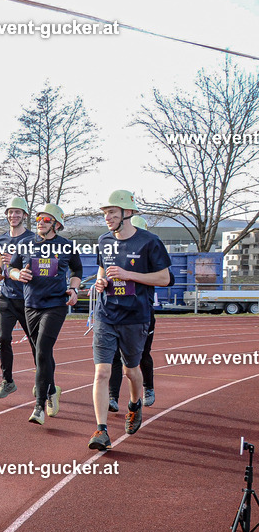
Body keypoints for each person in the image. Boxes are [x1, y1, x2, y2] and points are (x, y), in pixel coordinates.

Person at [89, 192, 172, 451]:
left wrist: (129, 274)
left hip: (135, 317)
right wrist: (99, 282)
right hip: (106, 314)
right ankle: (101, 430)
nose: (108, 217)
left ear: (128, 213)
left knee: (130, 371)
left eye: (113, 212)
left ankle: (134, 405)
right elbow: (102, 272)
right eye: (105, 213)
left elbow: (164, 279)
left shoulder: (150, 242)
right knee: (102, 372)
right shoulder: (103, 241)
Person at [8, 203, 82, 425]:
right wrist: (17, 274)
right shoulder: (24, 244)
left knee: (42, 350)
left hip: (55, 304)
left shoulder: (66, 246)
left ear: (56, 224)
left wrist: (74, 288)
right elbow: (9, 269)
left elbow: (77, 270)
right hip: (31, 304)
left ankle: (39, 405)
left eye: (46, 219)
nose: (40, 222)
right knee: (42, 353)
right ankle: (51, 390)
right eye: (39, 218)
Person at [106, 215, 171, 412]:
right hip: (115, 311)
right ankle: (112, 397)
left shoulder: (150, 249)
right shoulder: (114, 250)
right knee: (114, 358)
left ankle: (148, 388)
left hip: (141, 313)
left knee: (141, 355)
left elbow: (168, 279)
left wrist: (134, 276)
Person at [0, 197, 37, 399]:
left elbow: (36, 269)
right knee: (3, 339)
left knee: (36, 343)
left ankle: (43, 381)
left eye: (18, 212)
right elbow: (1, 266)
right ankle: (7, 381)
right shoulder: (2, 239)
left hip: (27, 299)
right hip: (6, 297)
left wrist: (16, 264)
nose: (14, 215)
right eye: (10, 212)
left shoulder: (33, 239)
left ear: (25, 215)